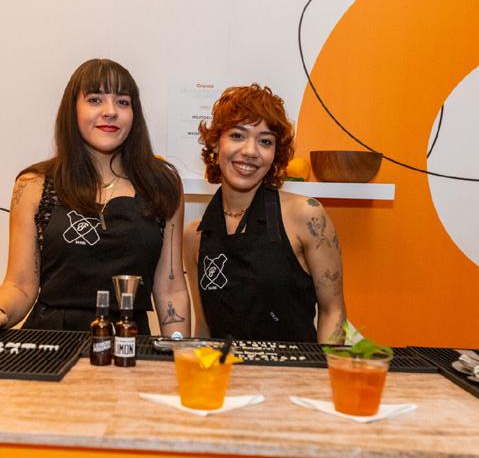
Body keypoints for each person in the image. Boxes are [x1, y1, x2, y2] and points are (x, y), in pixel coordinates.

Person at [0, 59, 190, 335]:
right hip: (52, 341)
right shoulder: (32, 184)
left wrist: (180, 353)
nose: (110, 111)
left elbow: (171, 289)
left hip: (129, 342)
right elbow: (20, 286)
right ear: (73, 109)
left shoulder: (164, 185)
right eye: (95, 99)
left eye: (122, 102)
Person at [183, 84, 346, 343]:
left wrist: (326, 369)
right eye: (237, 135)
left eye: (265, 141)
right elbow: (204, 327)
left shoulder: (306, 215)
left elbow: (333, 312)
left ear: (275, 154)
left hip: (298, 367)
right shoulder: (194, 236)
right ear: (215, 143)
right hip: (223, 368)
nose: (250, 151)